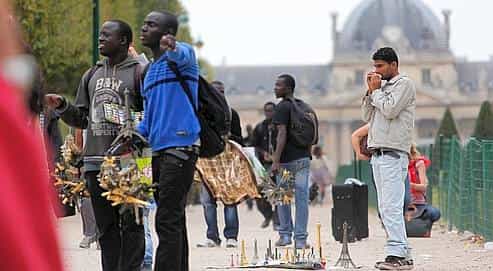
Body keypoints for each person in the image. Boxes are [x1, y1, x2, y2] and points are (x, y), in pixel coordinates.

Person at [45, 20, 145, 271]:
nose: (100, 39)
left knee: (132, 227)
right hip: (95, 164)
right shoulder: (91, 74)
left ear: (123, 40)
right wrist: (63, 107)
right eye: (100, 35)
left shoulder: (140, 73)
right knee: (106, 231)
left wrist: (123, 119)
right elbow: (81, 117)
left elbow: (151, 115)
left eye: (106, 35)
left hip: (130, 165)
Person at [137, 10, 200, 271]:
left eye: (151, 25)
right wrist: (132, 136)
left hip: (182, 146)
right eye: (144, 23)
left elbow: (181, 52)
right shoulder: (149, 72)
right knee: (173, 216)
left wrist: (173, 46)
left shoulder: (183, 58)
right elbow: (149, 118)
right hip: (160, 151)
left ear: (167, 34)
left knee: (165, 218)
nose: (144, 28)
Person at [362, 47, 416, 270]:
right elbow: (367, 116)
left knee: (392, 207)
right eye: (374, 66)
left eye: (380, 66)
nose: (376, 70)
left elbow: (391, 110)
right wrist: (370, 92)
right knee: (386, 208)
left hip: (393, 153)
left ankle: (396, 254)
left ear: (393, 64)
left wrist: (376, 92)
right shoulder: (380, 88)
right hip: (379, 154)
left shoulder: (404, 84)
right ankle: (403, 254)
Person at [197, 80, 240, 248]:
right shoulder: (202, 113)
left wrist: (228, 139)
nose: (218, 95)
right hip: (206, 162)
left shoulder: (231, 113)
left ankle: (231, 236)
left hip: (226, 161)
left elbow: (240, 140)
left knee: (230, 200)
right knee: (208, 201)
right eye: (215, 92)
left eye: (221, 92)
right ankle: (212, 236)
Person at [271, 74, 312, 249]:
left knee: (283, 198)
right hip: (303, 158)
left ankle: (285, 235)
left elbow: (281, 135)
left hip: (286, 161)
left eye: (278, 85)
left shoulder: (282, 107)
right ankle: (301, 240)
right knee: (302, 200)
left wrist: (276, 159)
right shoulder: (304, 106)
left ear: (288, 88)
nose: (275, 88)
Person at [252, 102, 280, 229]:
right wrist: (262, 153)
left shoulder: (281, 128)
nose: (269, 113)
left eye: (271, 111)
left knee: (279, 193)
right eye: (267, 111)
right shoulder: (259, 128)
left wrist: (276, 155)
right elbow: (253, 146)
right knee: (259, 195)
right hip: (263, 166)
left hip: (278, 164)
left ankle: (277, 219)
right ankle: (268, 215)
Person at [408, 144, 440, 223]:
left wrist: (409, 185)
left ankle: (414, 219)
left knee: (435, 213)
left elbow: (424, 187)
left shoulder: (419, 163)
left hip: (419, 205)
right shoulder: (395, 164)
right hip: (402, 205)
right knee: (383, 212)